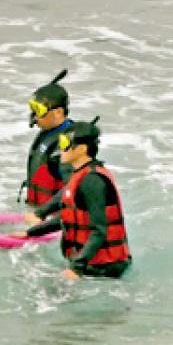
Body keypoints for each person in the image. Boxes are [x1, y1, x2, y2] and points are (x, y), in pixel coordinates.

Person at [21, 118, 132, 280]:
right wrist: (29, 233)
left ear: (81, 149)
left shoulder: (92, 181)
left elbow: (99, 230)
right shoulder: (79, 174)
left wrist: (76, 269)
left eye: (65, 143)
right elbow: (68, 218)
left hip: (105, 270)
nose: (60, 149)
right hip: (89, 265)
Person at [21, 69, 74, 208]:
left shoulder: (68, 144)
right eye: (33, 109)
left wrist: (44, 214)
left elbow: (72, 188)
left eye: (39, 110)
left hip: (54, 214)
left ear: (58, 112)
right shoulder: (48, 131)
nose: (34, 116)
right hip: (38, 209)